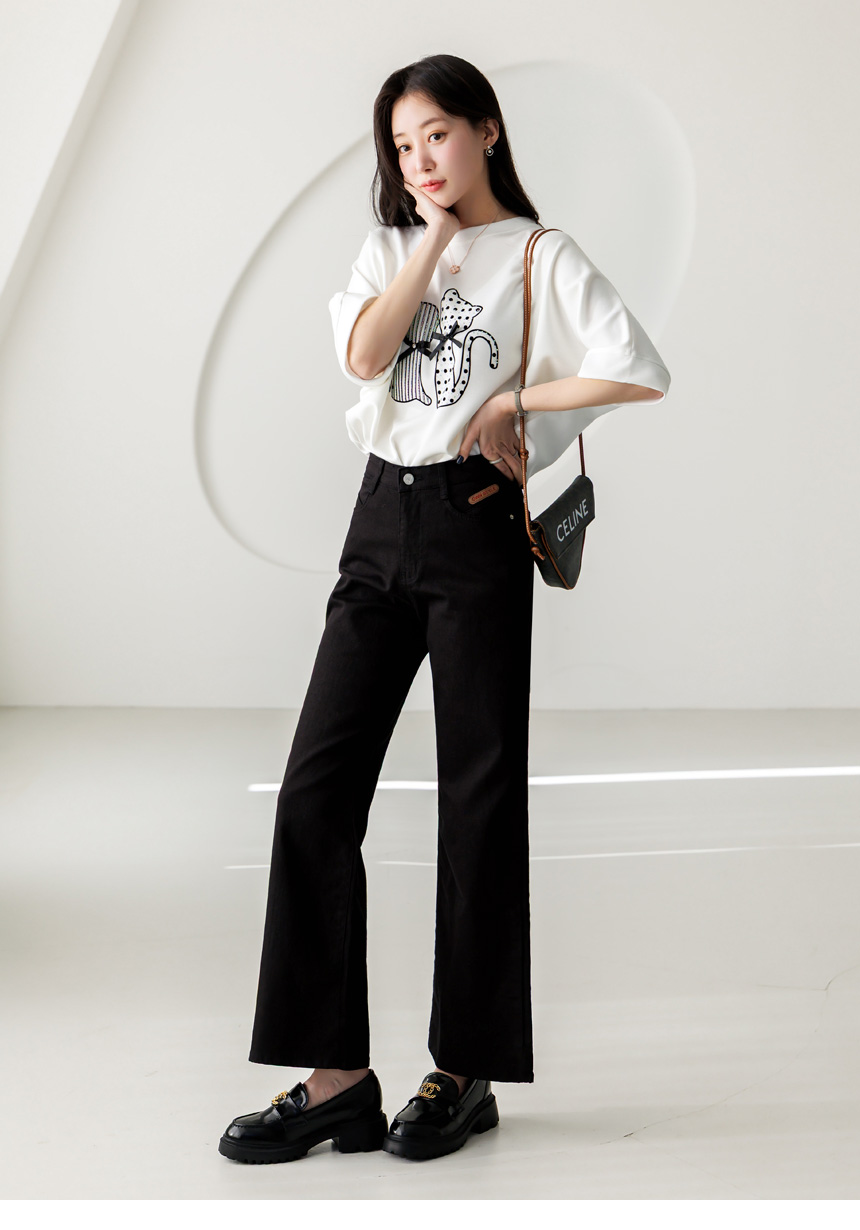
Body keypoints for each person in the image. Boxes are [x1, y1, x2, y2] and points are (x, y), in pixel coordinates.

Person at [218, 52, 671, 1166]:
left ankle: (462, 1073)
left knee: (478, 797)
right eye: (402, 144)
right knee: (315, 791)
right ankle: (336, 1082)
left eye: (436, 135)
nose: (419, 159)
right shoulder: (388, 250)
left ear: (486, 130)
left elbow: (635, 367)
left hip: (474, 526)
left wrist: (519, 400)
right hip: (379, 522)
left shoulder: (540, 253)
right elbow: (366, 356)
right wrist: (428, 241)